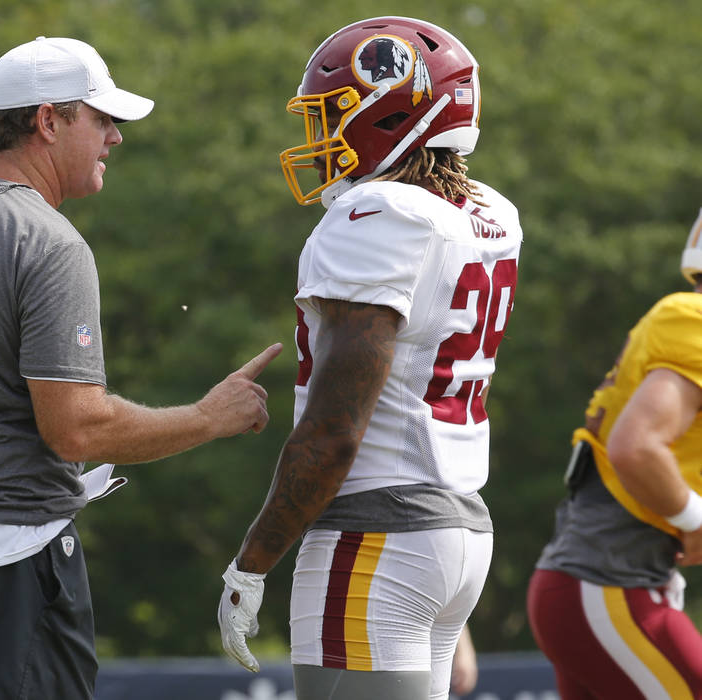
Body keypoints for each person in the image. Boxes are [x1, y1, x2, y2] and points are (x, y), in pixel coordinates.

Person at [0, 35, 282, 699]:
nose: (115, 139)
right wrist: (207, 418)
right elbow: (77, 429)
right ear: (47, 121)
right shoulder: (47, 240)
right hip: (7, 571)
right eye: (102, 120)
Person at [216, 16, 523, 700]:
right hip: (458, 530)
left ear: (391, 114)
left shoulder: (379, 214)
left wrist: (252, 562)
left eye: (333, 116)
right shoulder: (488, 213)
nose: (319, 137)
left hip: (375, 533)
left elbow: (333, 433)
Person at [528, 212, 702, 699]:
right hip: (608, 584)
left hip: (601, 582)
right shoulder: (695, 321)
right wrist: (694, 518)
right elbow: (636, 445)